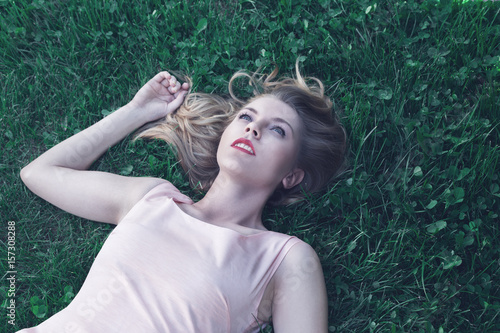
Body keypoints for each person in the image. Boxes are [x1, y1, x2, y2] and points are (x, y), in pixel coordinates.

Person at [18, 62, 347, 333]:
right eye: (246, 117)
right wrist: (137, 111)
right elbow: (40, 173)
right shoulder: (152, 199)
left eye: (277, 130)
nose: (253, 128)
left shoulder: (284, 259)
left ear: (291, 175)